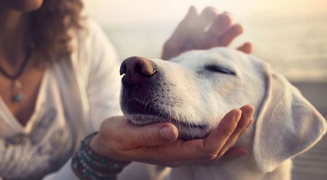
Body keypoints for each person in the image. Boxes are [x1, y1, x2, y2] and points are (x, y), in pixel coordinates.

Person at [0, 0, 254, 179]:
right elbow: (107, 153)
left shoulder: (80, 39)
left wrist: (171, 84)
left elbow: (128, 172)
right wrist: (96, 155)